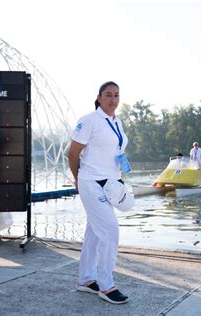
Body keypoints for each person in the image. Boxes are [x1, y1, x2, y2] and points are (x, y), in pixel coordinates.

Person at [68, 81, 130, 305]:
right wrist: (77, 179)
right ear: (99, 97)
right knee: (110, 230)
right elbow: (73, 153)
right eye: (108, 95)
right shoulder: (89, 121)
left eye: (116, 95)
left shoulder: (117, 122)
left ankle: (85, 280)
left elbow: (114, 151)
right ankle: (106, 285)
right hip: (91, 181)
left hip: (110, 182)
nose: (113, 100)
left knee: (95, 231)